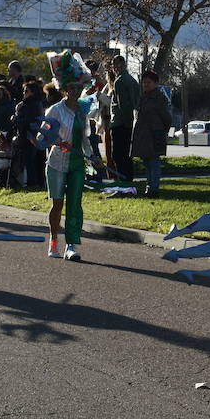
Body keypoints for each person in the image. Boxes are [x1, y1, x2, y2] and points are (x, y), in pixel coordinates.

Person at [44, 50, 100, 261]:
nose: (75, 91)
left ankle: (72, 245)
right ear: (64, 89)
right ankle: (53, 240)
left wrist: (93, 156)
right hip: (57, 163)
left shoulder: (82, 112)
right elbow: (44, 136)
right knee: (57, 203)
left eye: (79, 87)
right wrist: (57, 141)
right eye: (71, 88)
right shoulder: (55, 111)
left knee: (75, 203)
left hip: (77, 163)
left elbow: (85, 139)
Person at [133, 69, 171, 197]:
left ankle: (154, 188)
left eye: (148, 82)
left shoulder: (160, 98)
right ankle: (149, 186)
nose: (145, 85)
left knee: (154, 162)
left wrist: (162, 130)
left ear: (155, 83)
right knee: (147, 162)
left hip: (155, 134)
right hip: (144, 135)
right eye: (144, 82)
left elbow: (166, 117)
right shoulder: (143, 97)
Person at [109, 55, 139, 182]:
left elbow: (123, 105)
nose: (116, 68)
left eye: (117, 65)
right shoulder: (133, 80)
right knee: (127, 155)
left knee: (118, 155)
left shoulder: (119, 81)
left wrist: (126, 122)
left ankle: (124, 184)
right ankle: (128, 183)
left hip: (120, 123)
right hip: (129, 122)